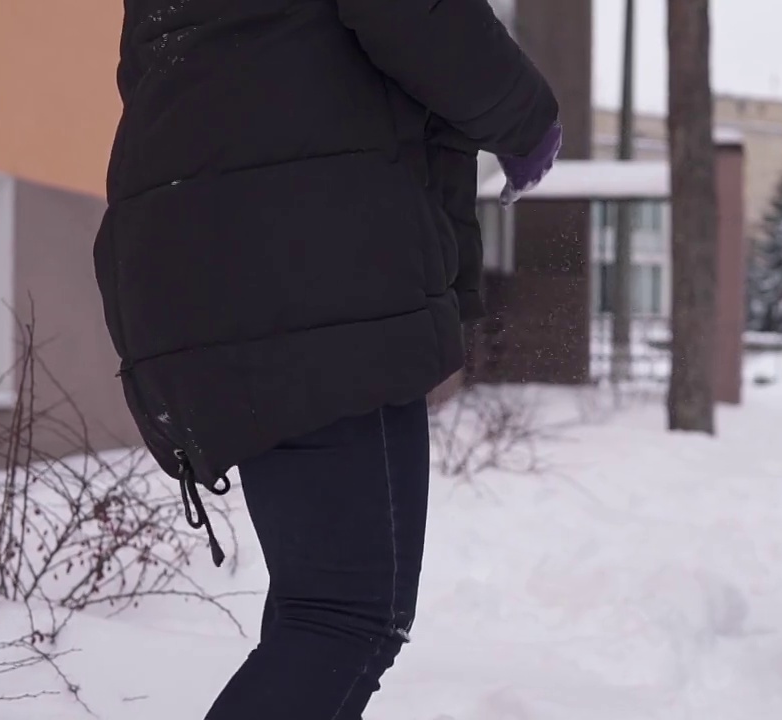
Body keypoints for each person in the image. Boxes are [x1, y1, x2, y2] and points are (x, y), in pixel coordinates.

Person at [92, 1, 561, 717]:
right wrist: (527, 118)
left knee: (317, 611)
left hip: (198, 264)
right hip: (313, 271)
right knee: (345, 619)